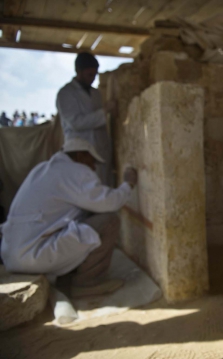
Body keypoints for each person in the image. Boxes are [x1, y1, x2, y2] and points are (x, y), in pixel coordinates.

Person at [1, 138, 137, 298]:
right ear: (81, 156)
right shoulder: (74, 171)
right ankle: (87, 282)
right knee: (108, 221)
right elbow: (109, 202)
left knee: (85, 220)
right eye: (92, 162)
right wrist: (128, 184)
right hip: (32, 255)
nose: (93, 168)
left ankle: (69, 276)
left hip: (11, 254)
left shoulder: (43, 169)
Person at [56, 52, 116, 186]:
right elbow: (75, 123)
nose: (93, 79)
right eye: (90, 75)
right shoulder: (66, 93)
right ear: (78, 71)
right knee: (83, 188)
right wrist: (104, 112)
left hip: (100, 149)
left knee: (102, 187)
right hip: (80, 151)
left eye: (95, 75)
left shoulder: (96, 93)